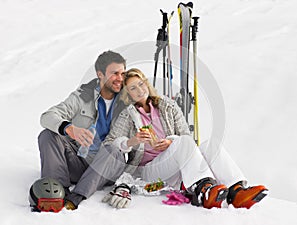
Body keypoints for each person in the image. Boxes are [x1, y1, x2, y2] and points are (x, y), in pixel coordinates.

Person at [102, 68, 268, 209]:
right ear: (127, 94)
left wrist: (170, 142)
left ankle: (237, 191)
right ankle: (204, 190)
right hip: (149, 171)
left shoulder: (168, 106)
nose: (139, 90)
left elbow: (186, 137)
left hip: (176, 165)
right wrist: (133, 141)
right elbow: (109, 144)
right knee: (183, 143)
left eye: (140, 84)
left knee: (210, 144)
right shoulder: (126, 116)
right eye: (132, 88)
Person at [38, 50, 128, 210]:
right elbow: (47, 116)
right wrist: (70, 128)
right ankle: (57, 190)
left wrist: (126, 183)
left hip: (107, 170)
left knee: (113, 149)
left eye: (123, 73)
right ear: (100, 74)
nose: (120, 78)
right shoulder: (82, 96)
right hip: (80, 163)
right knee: (48, 135)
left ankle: (77, 196)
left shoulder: (128, 100)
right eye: (115, 73)